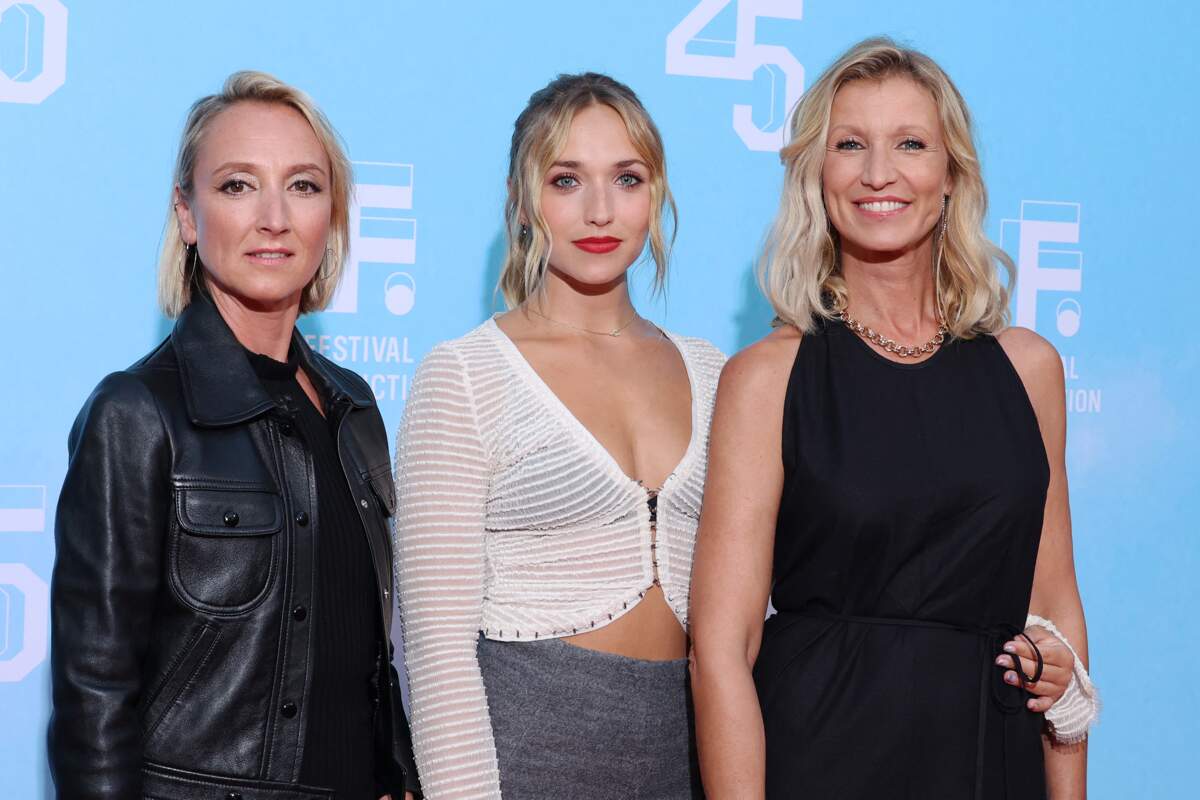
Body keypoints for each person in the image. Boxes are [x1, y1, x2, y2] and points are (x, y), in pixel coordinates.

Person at [689, 38, 1095, 799]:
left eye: (910, 143)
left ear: (951, 176)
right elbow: (721, 648)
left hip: (989, 754)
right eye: (850, 144)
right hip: (821, 754)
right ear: (818, 175)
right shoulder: (768, 378)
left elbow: (1057, 616)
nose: (879, 173)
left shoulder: (1029, 369)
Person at [49, 72, 418, 800]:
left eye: (304, 187)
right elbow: (93, 697)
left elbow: (371, 652)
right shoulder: (138, 412)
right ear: (187, 215)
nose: (274, 218)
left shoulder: (354, 407)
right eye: (238, 186)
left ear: (332, 217)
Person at [393, 72, 722, 799]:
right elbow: (437, 653)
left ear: (656, 194)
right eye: (567, 180)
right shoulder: (465, 375)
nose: (600, 210)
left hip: (688, 753)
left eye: (626, 179)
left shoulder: (715, 373)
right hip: (526, 751)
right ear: (520, 199)